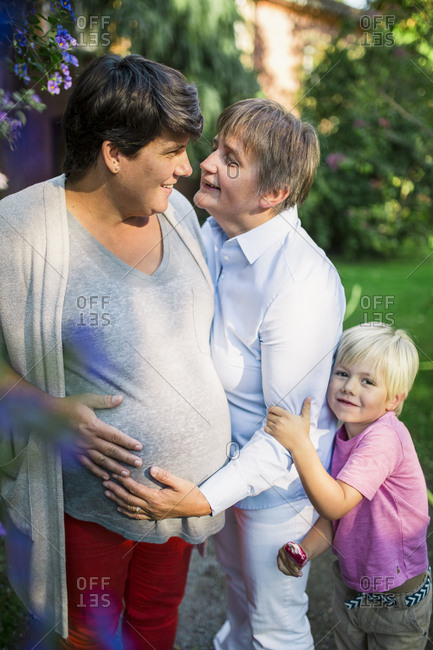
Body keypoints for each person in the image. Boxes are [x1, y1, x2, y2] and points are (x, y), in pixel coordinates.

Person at [0, 54, 231, 649]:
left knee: (155, 627)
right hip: (90, 511)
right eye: (172, 150)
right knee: (92, 636)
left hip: (177, 502)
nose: (187, 169)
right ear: (114, 153)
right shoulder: (21, 230)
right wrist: (39, 404)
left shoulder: (175, 214)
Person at [102, 98, 346, 649]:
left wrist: (203, 500)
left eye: (231, 160)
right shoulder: (210, 234)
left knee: (275, 625)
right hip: (222, 472)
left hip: (273, 491)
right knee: (239, 602)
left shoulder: (300, 283)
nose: (206, 163)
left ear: (273, 195)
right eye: (216, 148)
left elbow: (287, 438)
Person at [267, 323, 431, 650]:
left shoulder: (384, 439)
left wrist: (300, 445)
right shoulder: (346, 435)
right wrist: (305, 550)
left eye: (367, 381)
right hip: (353, 586)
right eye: (342, 373)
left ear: (395, 398)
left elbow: (335, 503)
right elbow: (335, 520)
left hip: (397, 600)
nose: (349, 387)